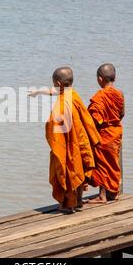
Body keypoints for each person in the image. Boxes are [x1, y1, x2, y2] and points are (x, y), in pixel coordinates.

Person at [35, 66, 101, 213]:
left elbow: (54, 128)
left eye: (54, 84)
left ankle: (67, 204)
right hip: (80, 140)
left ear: (58, 84)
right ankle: (77, 202)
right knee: (78, 167)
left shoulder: (62, 104)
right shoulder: (74, 96)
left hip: (68, 143)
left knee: (67, 166)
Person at [85, 63, 125, 204]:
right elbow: (122, 113)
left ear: (100, 79)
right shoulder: (119, 94)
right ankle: (113, 193)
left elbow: (95, 119)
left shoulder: (100, 96)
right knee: (113, 162)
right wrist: (113, 122)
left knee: (102, 163)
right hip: (116, 131)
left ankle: (102, 196)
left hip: (104, 133)